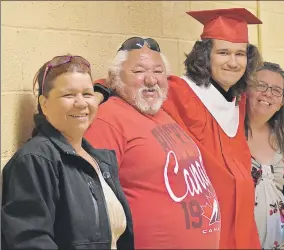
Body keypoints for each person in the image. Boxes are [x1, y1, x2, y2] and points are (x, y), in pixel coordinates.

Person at [84, 38, 221, 249]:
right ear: (115, 78)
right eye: (138, 72)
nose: (151, 80)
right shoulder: (107, 120)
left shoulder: (162, 113)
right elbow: (91, 204)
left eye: (158, 72)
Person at [1, 55, 134, 249]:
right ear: (44, 104)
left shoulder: (99, 160)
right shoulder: (35, 160)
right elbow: (30, 240)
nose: (81, 103)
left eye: (87, 94)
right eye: (68, 95)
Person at [161, 8, 264, 249]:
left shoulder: (239, 101)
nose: (232, 62)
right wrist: (101, 91)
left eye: (240, 54)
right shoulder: (179, 92)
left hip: (242, 227)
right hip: (204, 227)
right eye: (223, 52)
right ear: (205, 55)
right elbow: (133, 86)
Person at [246, 62, 284, 249]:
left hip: (279, 243)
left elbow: (281, 183)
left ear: (281, 102)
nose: (268, 93)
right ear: (246, 90)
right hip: (239, 240)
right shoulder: (229, 133)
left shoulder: (280, 136)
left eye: (276, 90)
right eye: (261, 86)